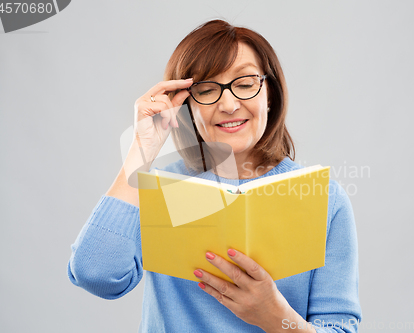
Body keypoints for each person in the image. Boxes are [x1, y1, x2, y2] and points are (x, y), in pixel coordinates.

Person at [68, 19, 362, 333]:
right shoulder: (160, 190)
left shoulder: (324, 198)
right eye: (206, 90)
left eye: (245, 83)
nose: (229, 104)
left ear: (270, 94)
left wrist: (275, 317)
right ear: (186, 105)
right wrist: (141, 152)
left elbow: (340, 327)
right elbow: (96, 275)